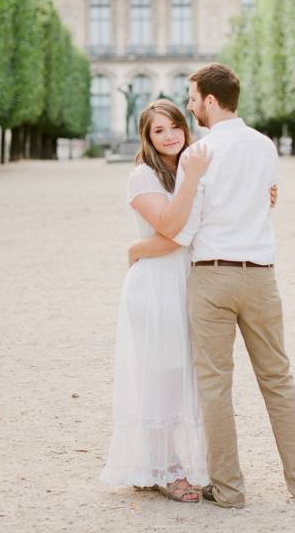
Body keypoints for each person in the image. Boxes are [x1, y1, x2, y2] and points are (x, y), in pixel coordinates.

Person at [173, 63, 295, 508]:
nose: (190, 105)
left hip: (212, 275)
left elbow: (187, 225)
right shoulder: (264, 145)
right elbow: (268, 198)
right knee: (278, 380)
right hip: (260, 274)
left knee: (215, 385)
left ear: (211, 101)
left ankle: (229, 489)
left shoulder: (196, 154)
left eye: (193, 97)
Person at [100, 99, 211, 502]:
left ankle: (154, 464)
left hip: (185, 280)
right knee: (162, 375)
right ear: (146, 138)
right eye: (158, 131)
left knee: (184, 373)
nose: (169, 136)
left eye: (175, 126)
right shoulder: (142, 176)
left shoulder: (190, 168)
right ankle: (168, 469)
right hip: (156, 285)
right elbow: (172, 228)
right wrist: (141, 248)